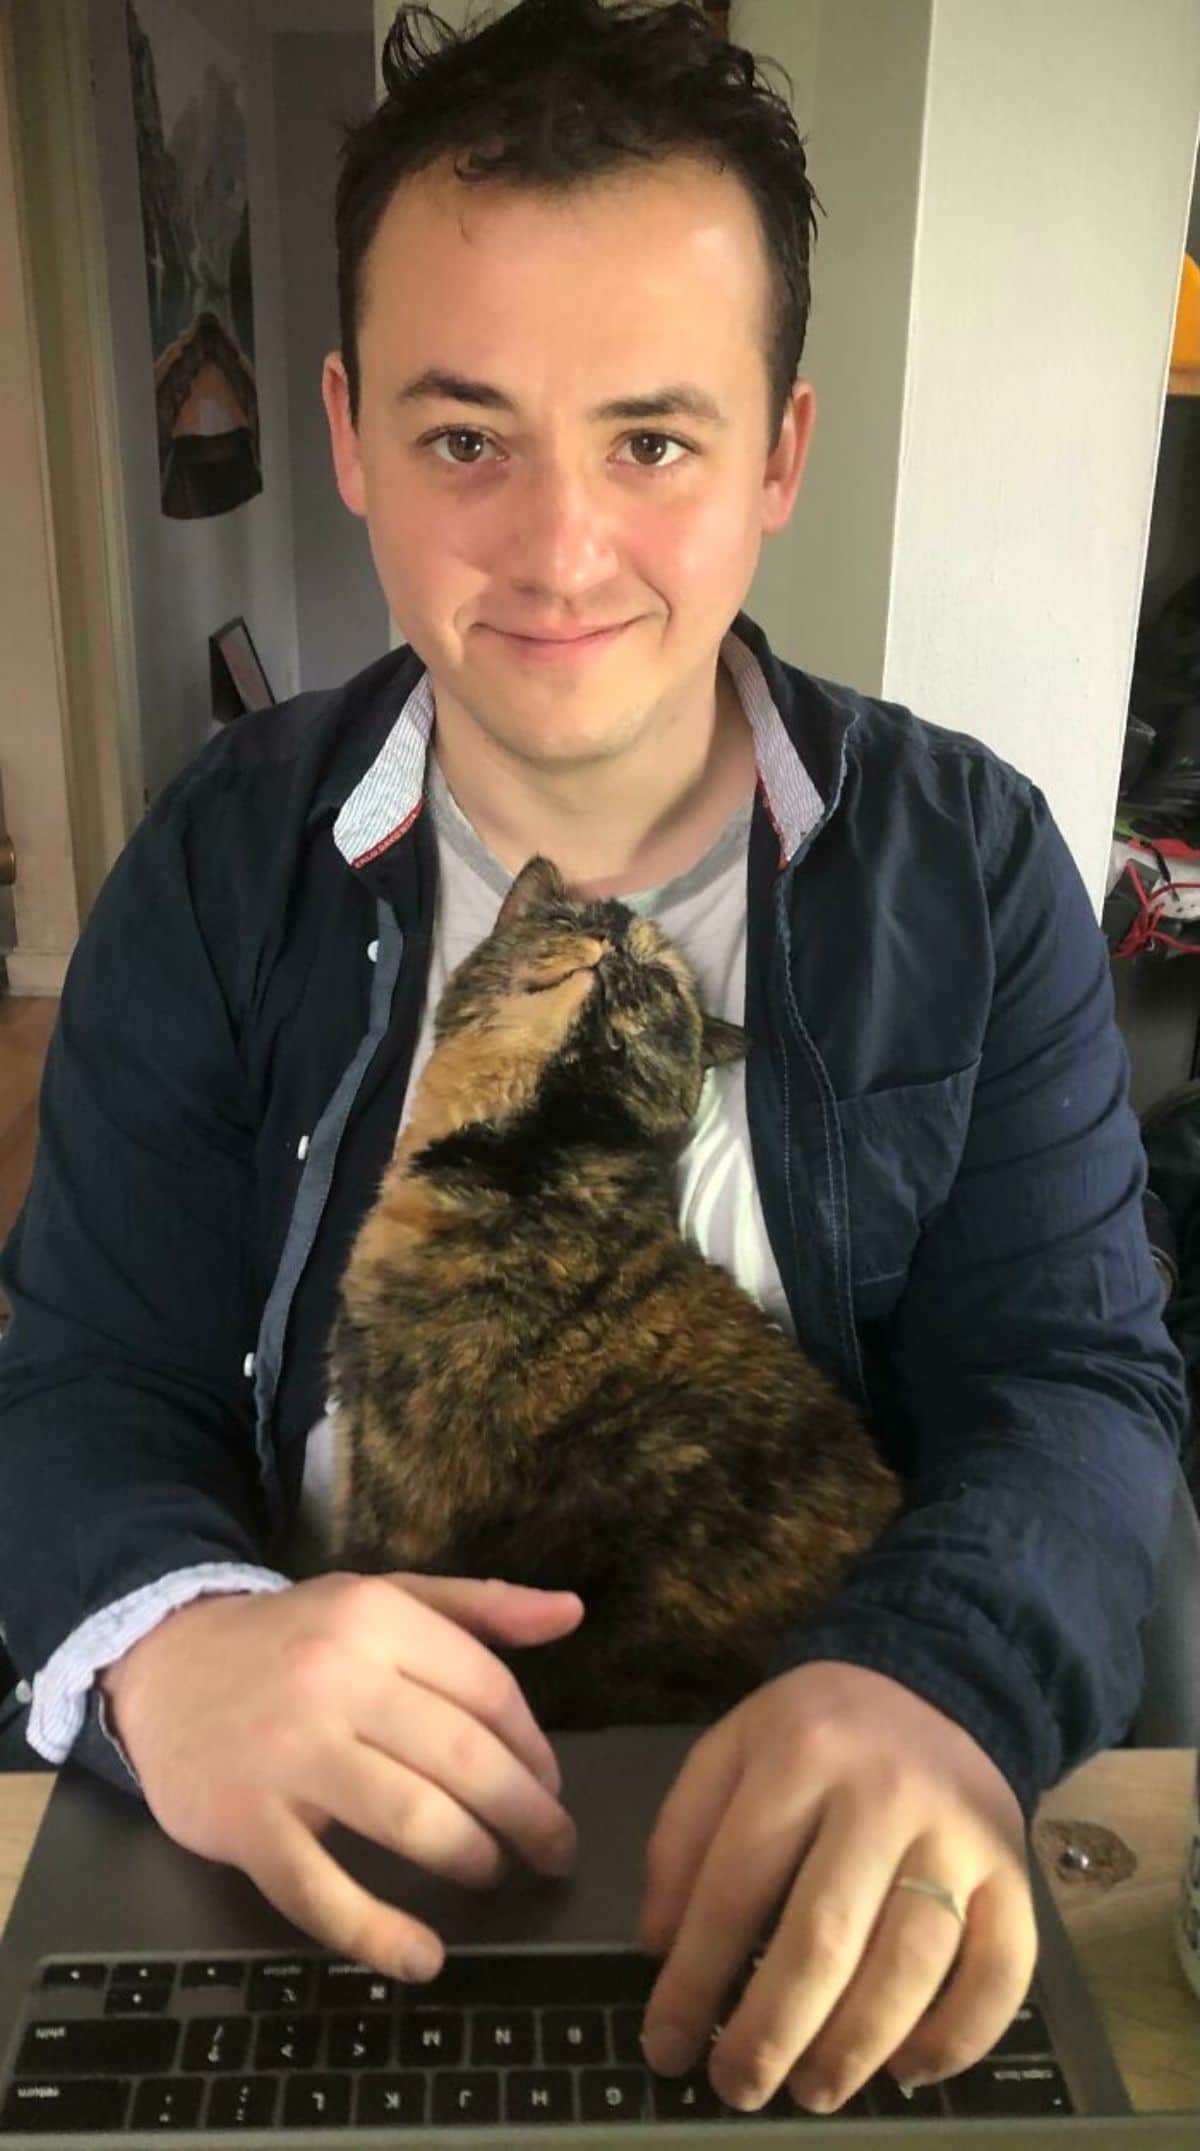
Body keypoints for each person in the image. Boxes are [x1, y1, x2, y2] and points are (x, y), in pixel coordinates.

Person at [0, 0, 1185, 2119]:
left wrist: (945, 1690)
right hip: (319, 1842)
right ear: (350, 434)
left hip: (847, 1840)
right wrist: (173, 1638)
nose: (557, 555)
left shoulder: (978, 862)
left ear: (779, 456)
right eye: (468, 439)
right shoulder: (214, 865)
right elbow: (78, 1375)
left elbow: (1074, 1388)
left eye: (652, 439)